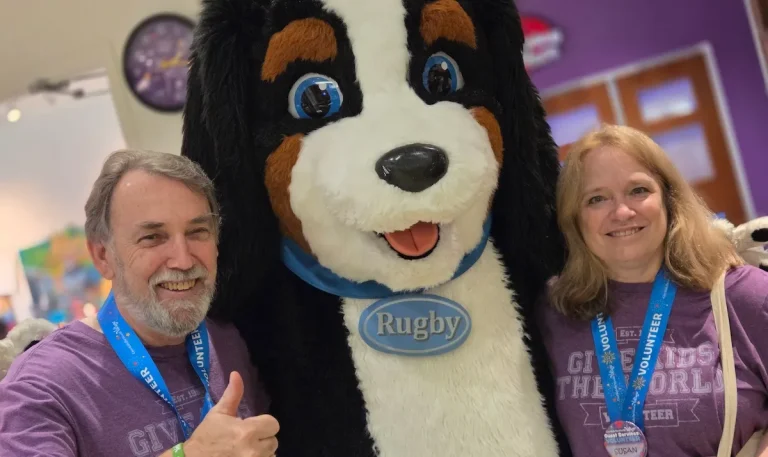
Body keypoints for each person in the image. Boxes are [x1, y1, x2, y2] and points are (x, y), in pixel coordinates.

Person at [0, 149, 278, 457]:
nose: (184, 260)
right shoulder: (44, 382)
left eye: (197, 232)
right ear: (103, 256)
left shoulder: (228, 341)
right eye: (153, 237)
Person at [536, 124, 768, 457]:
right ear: (575, 219)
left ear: (669, 200)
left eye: (638, 190)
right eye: (596, 199)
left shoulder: (744, 295)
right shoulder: (552, 312)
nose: (622, 212)